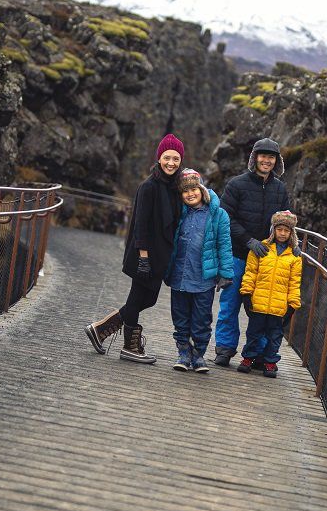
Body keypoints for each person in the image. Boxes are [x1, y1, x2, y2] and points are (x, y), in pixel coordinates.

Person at [85, 134, 184, 363]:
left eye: (176, 159)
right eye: (167, 158)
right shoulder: (149, 186)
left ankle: (100, 330)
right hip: (145, 254)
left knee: (147, 300)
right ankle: (130, 347)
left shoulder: (174, 187)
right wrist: (143, 257)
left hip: (160, 256)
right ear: (159, 158)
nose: (171, 163)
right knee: (137, 298)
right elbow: (140, 224)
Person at [213, 138, 291, 367]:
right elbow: (226, 218)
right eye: (262, 155)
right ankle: (225, 349)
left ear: (276, 161)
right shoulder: (236, 184)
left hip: (267, 259)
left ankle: (257, 354)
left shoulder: (280, 189)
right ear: (254, 158)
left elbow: (286, 222)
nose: (266, 160)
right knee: (231, 303)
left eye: (271, 157)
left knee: (262, 308)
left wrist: (289, 246)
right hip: (237, 255)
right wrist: (248, 241)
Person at [164, 169, 233, 373]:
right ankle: (184, 352)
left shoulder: (217, 214)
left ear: (202, 189)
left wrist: (226, 273)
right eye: (185, 191)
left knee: (202, 319)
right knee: (180, 317)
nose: (190, 194)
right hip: (180, 277)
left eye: (194, 189)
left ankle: (199, 354)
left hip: (204, 279)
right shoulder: (179, 212)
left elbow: (224, 244)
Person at [237, 210, 303, 378]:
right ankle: (248, 359)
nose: (282, 233)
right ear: (273, 230)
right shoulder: (261, 249)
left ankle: (270, 362)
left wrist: (293, 304)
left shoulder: (294, 257)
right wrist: (246, 293)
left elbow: (294, 282)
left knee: (274, 336)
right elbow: (250, 273)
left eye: (286, 231)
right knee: (253, 333)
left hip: (279, 305)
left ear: (291, 233)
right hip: (258, 301)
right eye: (279, 229)